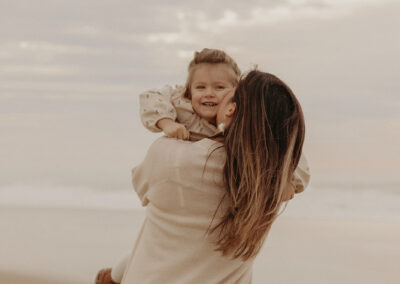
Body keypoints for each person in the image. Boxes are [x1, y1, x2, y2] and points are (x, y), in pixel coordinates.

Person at [95, 50, 310, 284]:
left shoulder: (170, 154)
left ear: (231, 109)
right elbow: (293, 167)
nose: (211, 94)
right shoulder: (269, 182)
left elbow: (142, 188)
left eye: (225, 91)